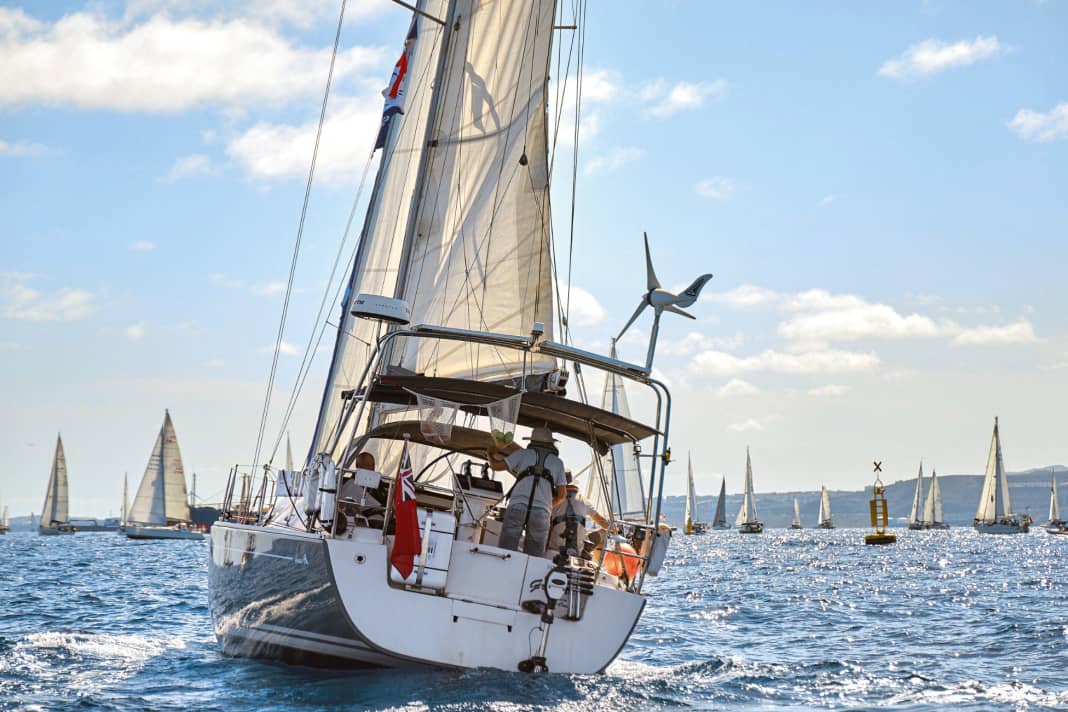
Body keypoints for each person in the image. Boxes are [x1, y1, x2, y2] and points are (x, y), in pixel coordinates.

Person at [489, 425, 567, 555]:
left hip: (517, 506)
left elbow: (495, 466)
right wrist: (547, 506)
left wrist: (489, 453)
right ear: (551, 443)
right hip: (541, 512)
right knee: (533, 557)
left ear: (532, 441)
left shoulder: (522, 454)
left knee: (505, 552)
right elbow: (562, 495)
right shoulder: (558, 463)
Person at [545, 472, 610, 558]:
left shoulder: (552, 500)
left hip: (553, 549)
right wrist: (615, 529)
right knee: (604, 532)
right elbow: (603, 522)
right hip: (576, 550)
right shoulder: (584, 500)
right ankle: (594, 565)